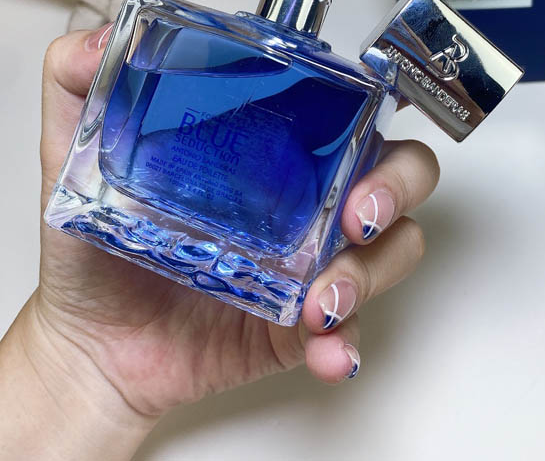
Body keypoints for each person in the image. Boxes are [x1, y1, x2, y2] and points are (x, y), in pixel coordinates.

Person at [0, 25, 440, 459]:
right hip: (111, 226)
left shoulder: (177, 30)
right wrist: (77, 354)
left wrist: (90, 369)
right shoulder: (164, 25)